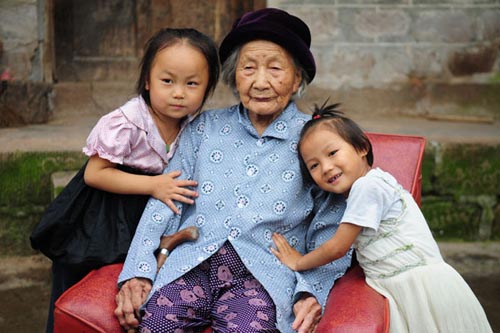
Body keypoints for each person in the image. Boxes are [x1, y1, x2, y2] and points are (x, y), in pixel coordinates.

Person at [114, 8, 352, 333]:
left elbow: (333, 223)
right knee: (155, 325)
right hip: (193, 262)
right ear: (233, 75)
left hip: (265, 274)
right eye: (248, 68)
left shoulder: (316, 139)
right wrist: (139, 270)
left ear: (297, 78)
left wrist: (312, 289)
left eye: (275, 68)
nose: (260, 81)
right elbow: (165, 199)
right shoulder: (205, 128)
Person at [30, 28, 220, 333]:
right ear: (147, 80)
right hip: (100, 211)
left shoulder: (195, 127)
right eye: (167, 81)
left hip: (140, 214)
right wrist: (154, 186)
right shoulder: (128, 122)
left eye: (192, 83)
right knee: (75, 283)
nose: (178, 92)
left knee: (121, 292)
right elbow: (95, 174)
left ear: (208, 87)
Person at [271, 103, 493, 333]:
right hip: (400, 286)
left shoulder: (368, 187)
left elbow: (337, 247)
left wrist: (298, 262)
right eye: (314, 165)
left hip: (420, 287)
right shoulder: (366, 188)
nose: (326, 167)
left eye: (332, 153)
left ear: (362, 148)